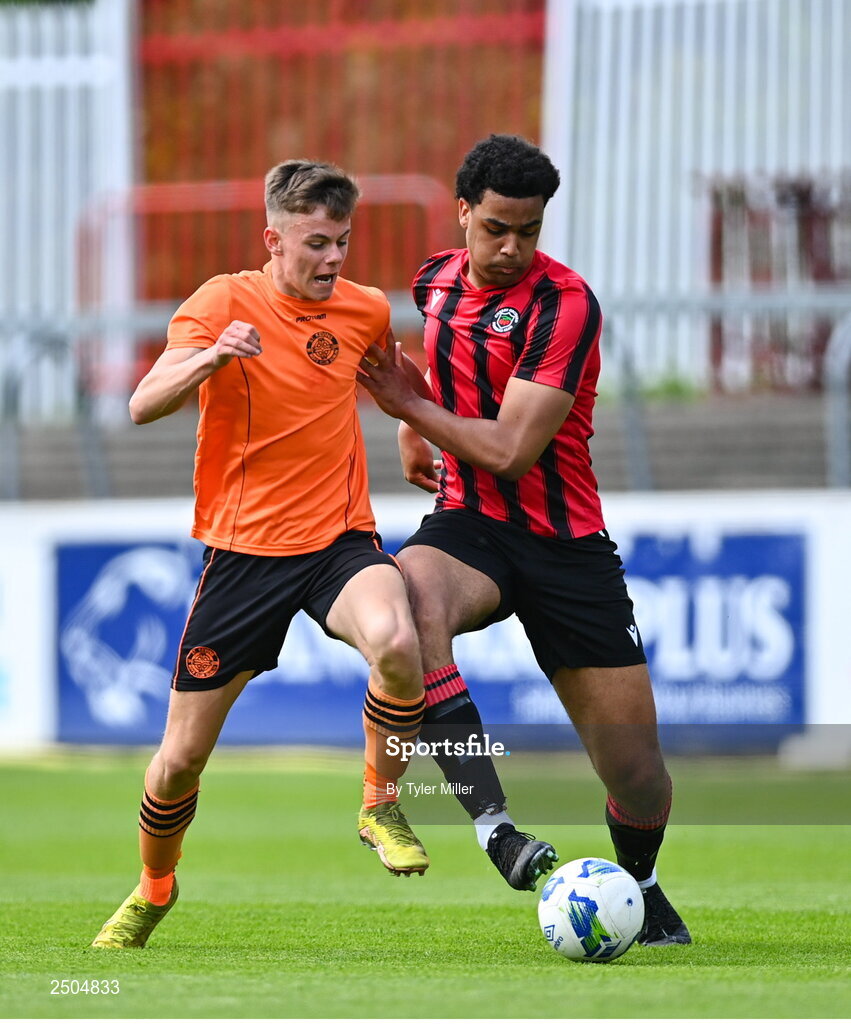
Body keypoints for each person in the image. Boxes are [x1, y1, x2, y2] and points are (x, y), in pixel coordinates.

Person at [357, 134, 691, 944]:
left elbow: (512, 451)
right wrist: (418, 431)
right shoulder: (433, 280)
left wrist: (413, 413)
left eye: (529, 230)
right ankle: (494, 827)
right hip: (470, 526)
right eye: (495, 228)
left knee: (638, 778)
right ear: (463, 214)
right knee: (408, 593)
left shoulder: (565, 305)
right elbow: (436, 364)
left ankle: (640, 888)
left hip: (565, 544)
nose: (511, 248)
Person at [92, 160, 430, 950]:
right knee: (178, 761)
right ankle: (153, 889)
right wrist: (210, 359)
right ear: (273, 238)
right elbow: (144, 402)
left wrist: (414, 434)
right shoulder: (223, 300)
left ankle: (379, 802)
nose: (332, 259)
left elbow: (395, 383)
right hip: (242, 557)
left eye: (342, 242)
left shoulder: (364, 310)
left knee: (398, 641)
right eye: (315, 243)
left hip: (338, 541)